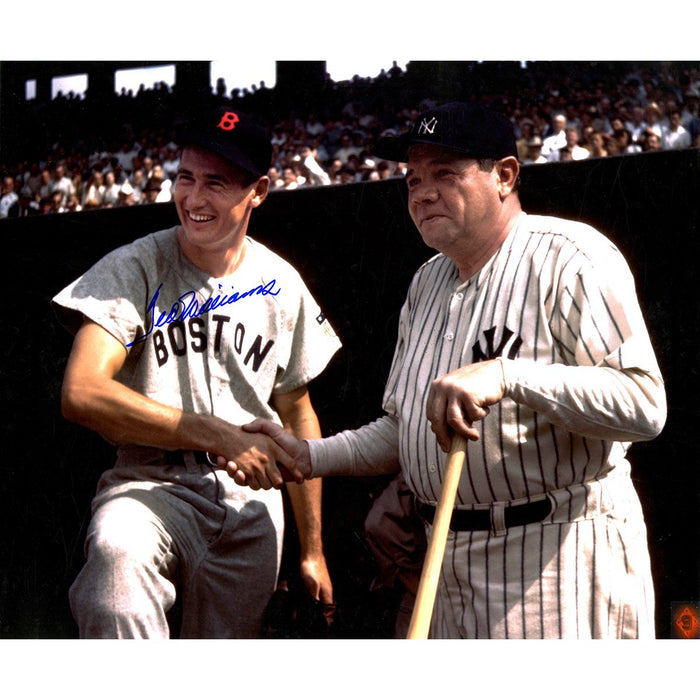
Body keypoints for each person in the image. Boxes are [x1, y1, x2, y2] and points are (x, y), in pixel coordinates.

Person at [237, 101, 667, 639]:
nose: (422, 192)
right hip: (447, 560)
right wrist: (310, 456)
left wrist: (508, 376)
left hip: (558, 549)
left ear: (505, 175)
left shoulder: (570, 256)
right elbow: (404, 430)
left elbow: (643, 405)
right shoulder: (426, 283)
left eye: (445, 173)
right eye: (413, 178)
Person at [51, 104, 341, 638]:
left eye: (217, 182)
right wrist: (215, 433)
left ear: (258, 190)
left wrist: (314, 550)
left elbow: (298, 413)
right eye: (185, 177)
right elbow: (82, 391)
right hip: (149, 481)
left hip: (251, 503)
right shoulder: (135, 265)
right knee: (116, 566)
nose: (194, 198)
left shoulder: (281, 282)